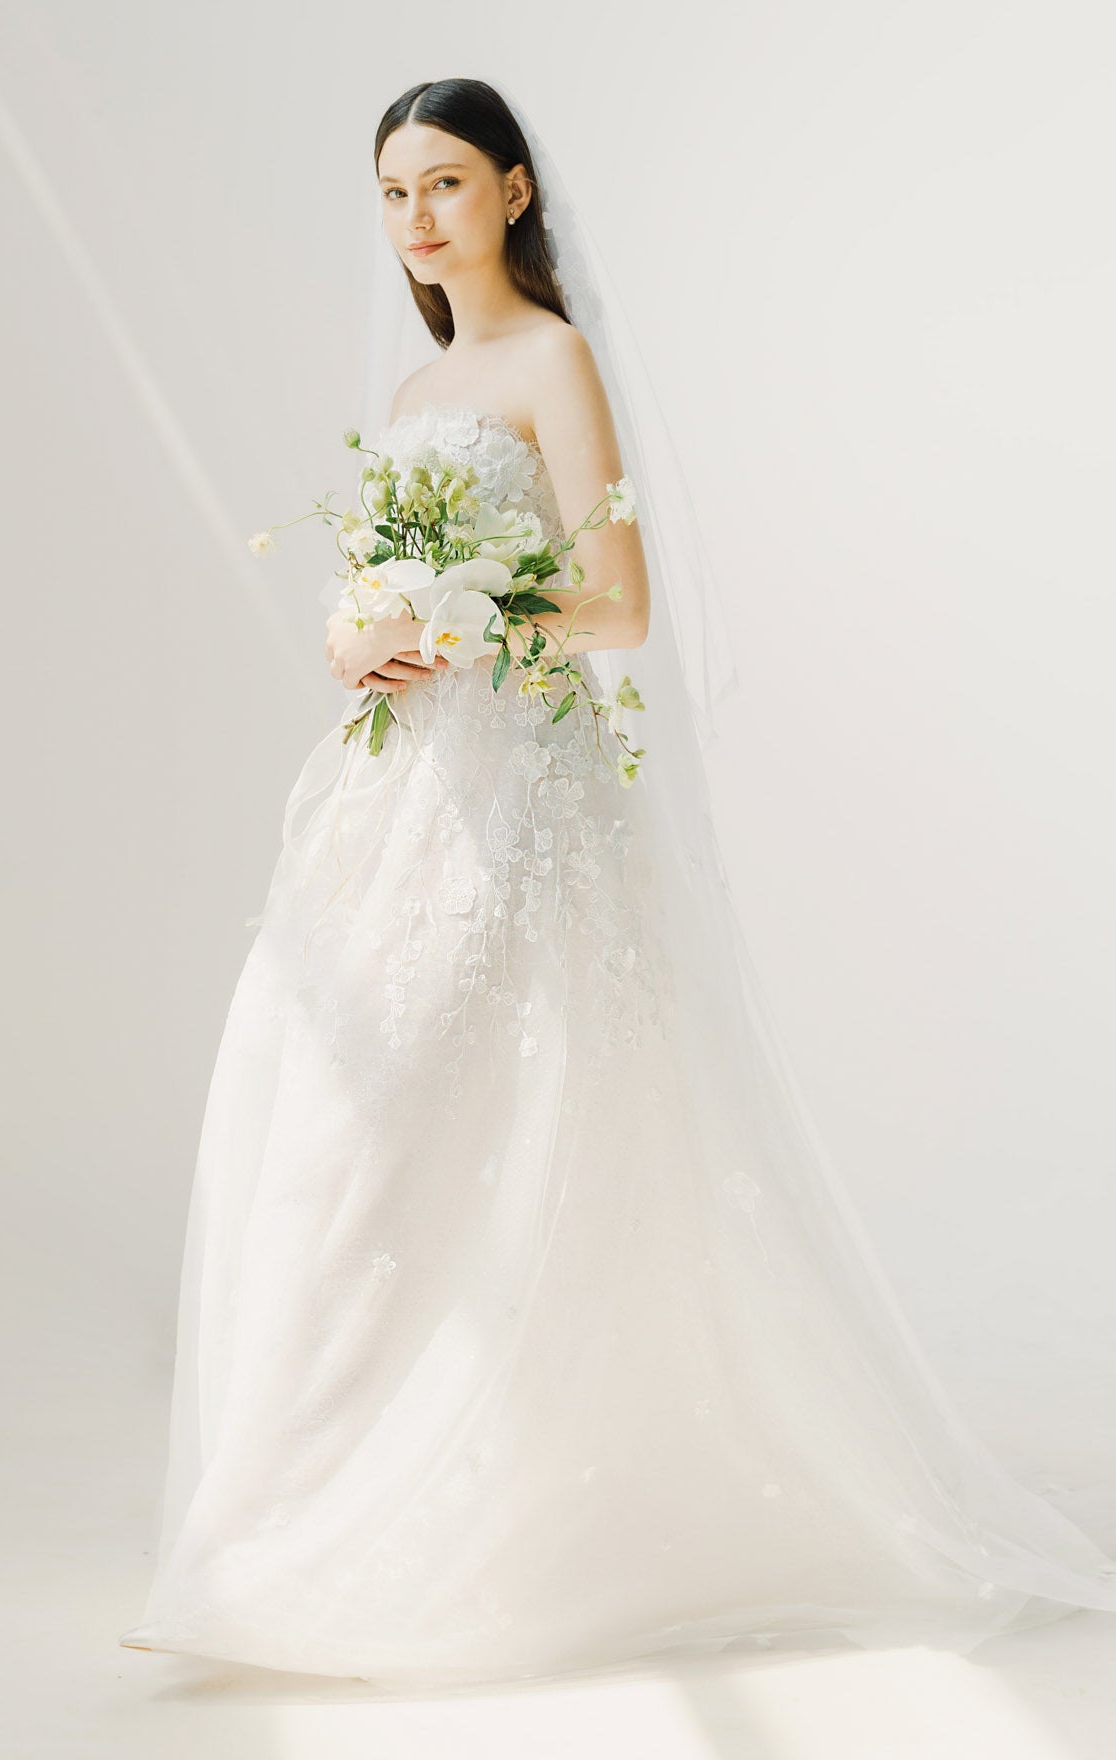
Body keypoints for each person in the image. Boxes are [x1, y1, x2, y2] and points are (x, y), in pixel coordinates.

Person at [119, 78, 1116, 1688]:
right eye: (392, 195)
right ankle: (279, 1530)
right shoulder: (416, 376)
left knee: (476, 1138)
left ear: (513, 194)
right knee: (327, 1130)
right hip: (403, 798)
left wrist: (449, 617)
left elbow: (618, 600)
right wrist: (355, 628)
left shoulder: (549, 359)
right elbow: (374, 582)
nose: (417, 219)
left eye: (445, 184)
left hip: (523, 798)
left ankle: (423, 1528)